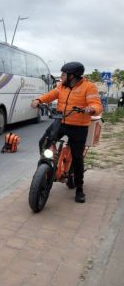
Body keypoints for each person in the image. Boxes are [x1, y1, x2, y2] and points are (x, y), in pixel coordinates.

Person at [31, 62, 102, 203]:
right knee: (43, 141)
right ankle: (46, 165)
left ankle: (79, 189)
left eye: (64, 74)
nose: (61, 76)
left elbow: (96, 104)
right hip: (61, 122)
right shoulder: (61, 86)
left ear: (72, 76)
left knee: (77, 157)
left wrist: (91, 109)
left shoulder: (88, 86)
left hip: (79, 126)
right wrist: (38, 100)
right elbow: (51, 95)